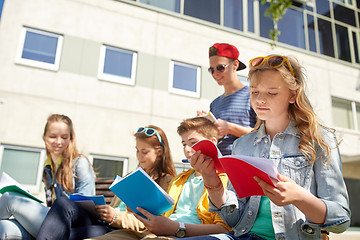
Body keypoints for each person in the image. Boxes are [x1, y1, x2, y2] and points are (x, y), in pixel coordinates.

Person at [188, 55, 351, 240]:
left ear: (292, 95)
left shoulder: (320, 140)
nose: (260, 100)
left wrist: (299, 197)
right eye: (254, 92)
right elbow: (233, 219)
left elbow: (341, 219)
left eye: (271, 93)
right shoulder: (242, 144)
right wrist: (211, 181)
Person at [87, 117, 231, 240]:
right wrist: (138, 209)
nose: (187, 149)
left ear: (212, 142)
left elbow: (224, 229)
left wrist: (176, 228)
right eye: (184, 144)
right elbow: (162, 215)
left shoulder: (225, 179)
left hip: (179, 233)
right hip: (155, 230)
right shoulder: (180, 180)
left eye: (193, 143)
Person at [36, 125, 177, 240]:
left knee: (67, 234)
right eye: (137, 150)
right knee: (62, 203)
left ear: (159, 152)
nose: (139, 156)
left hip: (118, 228)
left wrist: (115, 216)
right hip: (104, 220)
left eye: (144, 152)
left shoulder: (168, 182)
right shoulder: (131, 175)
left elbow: (151, 222)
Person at [0, 114, 96, 240]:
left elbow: (86, 209)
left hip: (70, 225)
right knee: (3, 227)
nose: (58, 142)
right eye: (52, 136)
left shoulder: (80, 163)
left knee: (10, 199)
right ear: (44, 137)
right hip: (50, 221)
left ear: (71, 138)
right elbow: (49, 203)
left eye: (64, 137)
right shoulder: (48, 168)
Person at [198, 43, 257, 155]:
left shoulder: (253, 95)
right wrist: (204, 125)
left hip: (246, 165)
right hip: (221, 167)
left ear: (235, 65)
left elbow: (265, 135)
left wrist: (229, 128)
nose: (215, 74)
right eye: (211, 70)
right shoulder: (215, 104)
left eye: (220, 68)